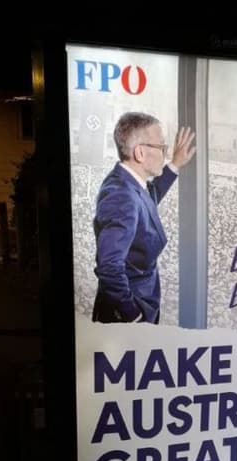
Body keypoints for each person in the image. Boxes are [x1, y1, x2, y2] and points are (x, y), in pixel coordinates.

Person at [92, 112, 196, 323]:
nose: (165, 154)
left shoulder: (126, 183)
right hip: (128, 318)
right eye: (162, 148)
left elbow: (147, 199)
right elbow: (109, 266)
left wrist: (175, 164)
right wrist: (133, 315)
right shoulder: (122, 196)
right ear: (140, 152)